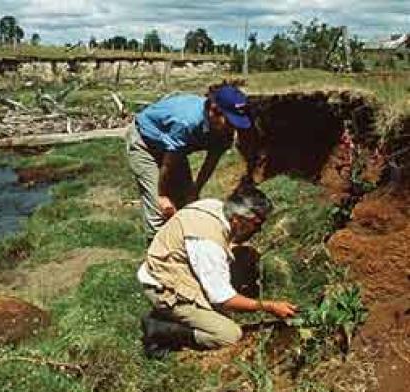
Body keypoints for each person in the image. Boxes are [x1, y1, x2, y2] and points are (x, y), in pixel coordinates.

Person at [137, 180, 298, 358]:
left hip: (172, 270)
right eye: (256, 225)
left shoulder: (214, 207)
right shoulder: (208, 244)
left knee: (244, 257)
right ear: (238, 220)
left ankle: (173, 318)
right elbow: (223, 298)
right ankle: (160, 329)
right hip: (164, 287)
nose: (259, 231)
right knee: (228, 334)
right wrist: (269, 306)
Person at [126, 83, 254, 245]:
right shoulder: (187, 121)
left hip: (174, 150)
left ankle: (184, 246)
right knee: (159, 208)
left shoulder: (226, 132)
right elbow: (169, 161)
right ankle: (156, 255)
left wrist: (196, 188)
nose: (233, 128)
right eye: (230, 122)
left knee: (188, 202)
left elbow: (211, 160)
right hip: (145, 143)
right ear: (214, 110)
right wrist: (163, 195)